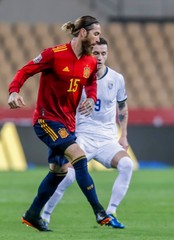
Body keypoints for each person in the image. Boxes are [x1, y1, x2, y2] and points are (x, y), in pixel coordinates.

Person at [7, 16, 111, 231]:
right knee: (79, 156)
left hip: (68, 123)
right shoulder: (53, 55)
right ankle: (99, 210)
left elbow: (91, 81)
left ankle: (33, 215)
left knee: (59, 171)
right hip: (46, 120)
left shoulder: (90, 61)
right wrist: (13, 91)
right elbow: (25, 70)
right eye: (95, 33)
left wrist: (91, 98)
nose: (98, 38)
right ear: (82, 32)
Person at [41, 37, 133, 229]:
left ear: (107, 54)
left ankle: (110, 212)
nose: (99, 57)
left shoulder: (116, 79)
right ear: (89, 53)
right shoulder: (79, 77)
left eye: (103, 53)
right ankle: (45, 215)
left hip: (107, 139)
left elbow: (122, 107)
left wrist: (123, 135)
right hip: (83, 135)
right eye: (96, 53)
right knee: (68, 176)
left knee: (126, 165)